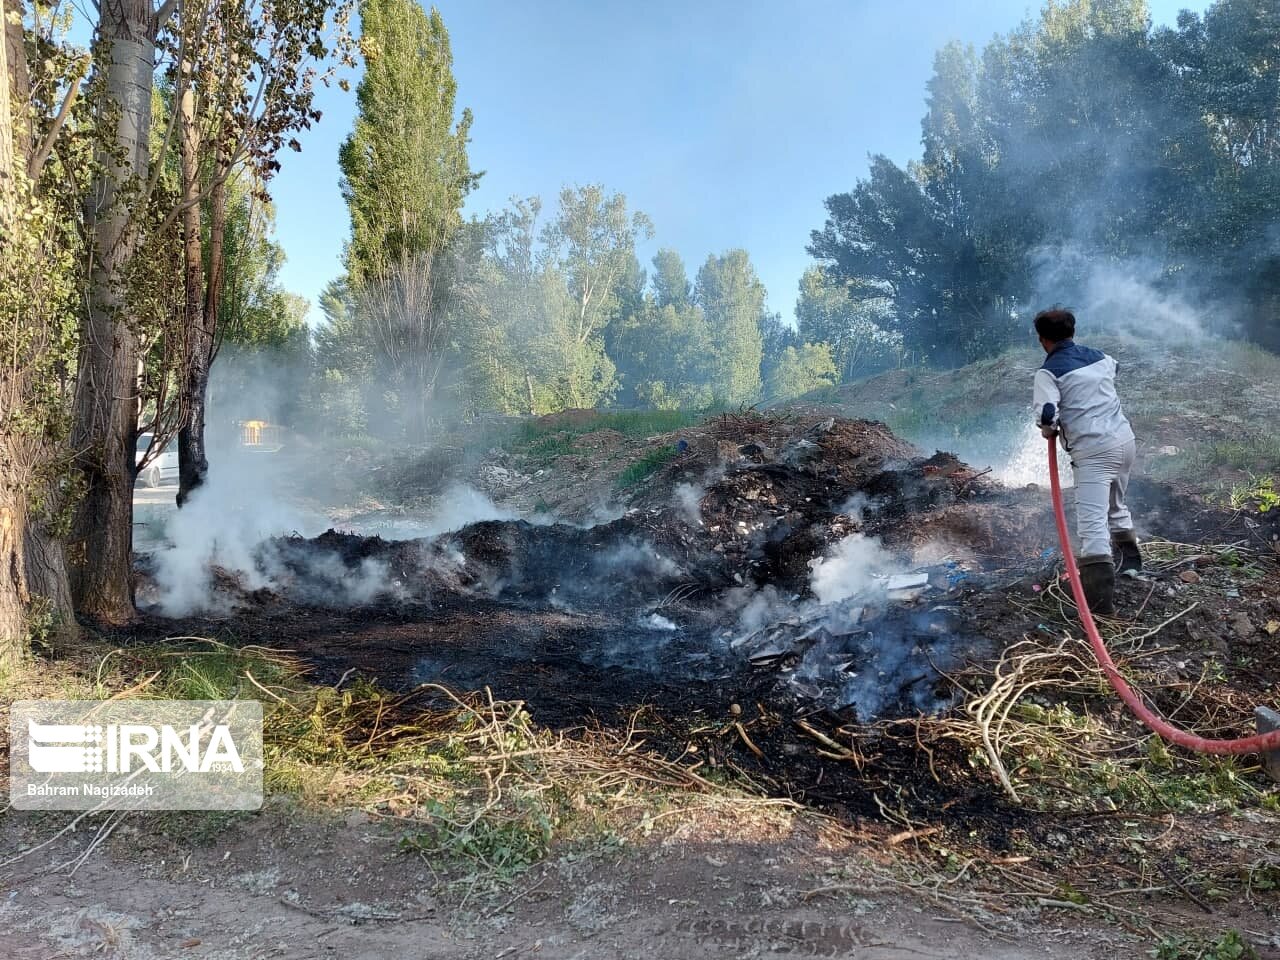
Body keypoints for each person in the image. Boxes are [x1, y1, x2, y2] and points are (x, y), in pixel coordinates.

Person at [1032, 308, 1140, 615]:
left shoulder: (1048, 372)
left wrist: (1048, 430)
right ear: (1072, 332)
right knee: (1116, 505)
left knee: (1092, 525)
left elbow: (1047, 414)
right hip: (1125, 442)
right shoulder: (1100, 357)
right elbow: (1114, 369)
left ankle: (1100, 604)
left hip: (1094, 452)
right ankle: (1131, 564)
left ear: (1042, 340)